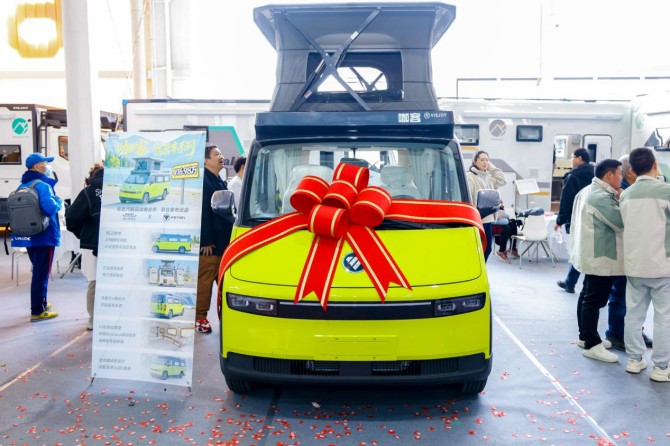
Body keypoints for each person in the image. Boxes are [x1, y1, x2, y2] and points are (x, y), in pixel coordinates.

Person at [619, 148, 670, 381]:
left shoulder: (626, 195)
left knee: (634, 314)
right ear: (655, 164)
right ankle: (661, 367)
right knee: (664, 317)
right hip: (662, 265)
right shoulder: (666, 191)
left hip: (634, 264)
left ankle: (634, 359)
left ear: (631, 170)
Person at [571, 159, 624, 363]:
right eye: (620, 173)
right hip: (601, 255)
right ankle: (592, 345)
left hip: (590, 252)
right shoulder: (600, 196)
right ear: (609, 175)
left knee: (587, 295)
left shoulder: (587, 191)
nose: (621, 177)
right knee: (594, 300)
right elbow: (620, 222)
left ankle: (586, 337)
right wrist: (622, 199)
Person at [604, 155, 653, 351]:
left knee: (636, 299)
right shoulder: (622, 191)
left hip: (637, 251)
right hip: (624, 250)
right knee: (620, 295)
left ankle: (633, 332)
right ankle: (616, 333)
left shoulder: (632, 189)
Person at [11, 153, 62, 322]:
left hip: (29, 236)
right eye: (45, 163)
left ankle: (41, 302)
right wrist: (59, 201)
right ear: (36, 166)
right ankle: (38, 311)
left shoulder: (23, 185)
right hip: (44, 236)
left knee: (38, 271)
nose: (47, 166)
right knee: (41, 274)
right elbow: (50, 209)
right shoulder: (43, 185)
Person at [196, 145, 234, 333]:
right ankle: (199, 318)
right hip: (211, 245)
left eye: (221, 153)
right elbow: (202, 211)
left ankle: (230, 315)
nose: (221, 156)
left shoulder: (218, 179)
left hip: (223, 242)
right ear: (205, 161)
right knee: (205, 282)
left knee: (224, 282)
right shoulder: (203, 180)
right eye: (216, 154)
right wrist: (206, 240)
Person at [66, 163, 104, 330]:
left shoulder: (89, 192)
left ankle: (94, 320)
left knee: (94, 281)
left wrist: (83, 234)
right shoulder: (119, 189)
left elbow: (72, 219)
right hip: (120, 245)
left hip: (92, 244)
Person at [555, 148, 594, 294]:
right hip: (593, 217)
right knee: (590, 250)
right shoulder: (595, 174)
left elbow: (566, 199)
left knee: (578, 250)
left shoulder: (573, 177)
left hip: (576, 218)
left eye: (573, 157)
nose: (571, 160)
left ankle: (571, 283)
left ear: (579, 158)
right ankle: (576, 282)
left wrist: (560, 220)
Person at [466, 150, 506, 261]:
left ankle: (481, 270)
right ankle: (476, 270)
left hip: (488, 218)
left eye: (487, 160)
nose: (485, 162)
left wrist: (490, 167)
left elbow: (503, 180)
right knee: (477, 249)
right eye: (482, 160)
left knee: (487, 249)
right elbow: (469, 197)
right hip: (477, 218)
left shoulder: (489, 177)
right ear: (475, 161)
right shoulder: (470, 176)